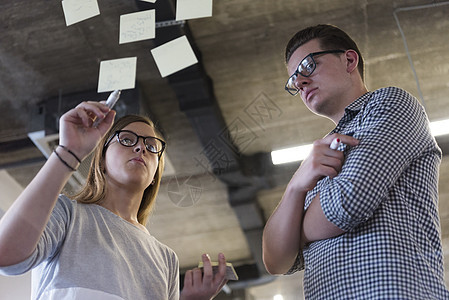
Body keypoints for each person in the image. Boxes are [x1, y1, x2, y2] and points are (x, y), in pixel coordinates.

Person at [262, 24, 449, 299]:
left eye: (308, 65)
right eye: (294, 81)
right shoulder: (317, 159)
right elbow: (276, 261)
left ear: (349, 60)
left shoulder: (390, 104)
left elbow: (348, 202)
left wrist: (295, 229)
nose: (300, 82)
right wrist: (295, 187)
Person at [0, 100, 228, 299]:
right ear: (102, 161)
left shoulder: (166, 258)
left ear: (154, 177)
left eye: (151, 147)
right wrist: (68, 152)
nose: (141, 147)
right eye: (127, 139)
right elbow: (6, 256)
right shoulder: (68, 214)